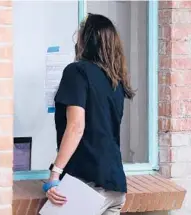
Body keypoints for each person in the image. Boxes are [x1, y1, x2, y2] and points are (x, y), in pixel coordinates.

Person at [42, 13, 135, 215]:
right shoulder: (115, 81)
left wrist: (55, 174)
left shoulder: (76, 72)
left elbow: (76, 127)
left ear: (86, 41)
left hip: (87, 185)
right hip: (115, 186)